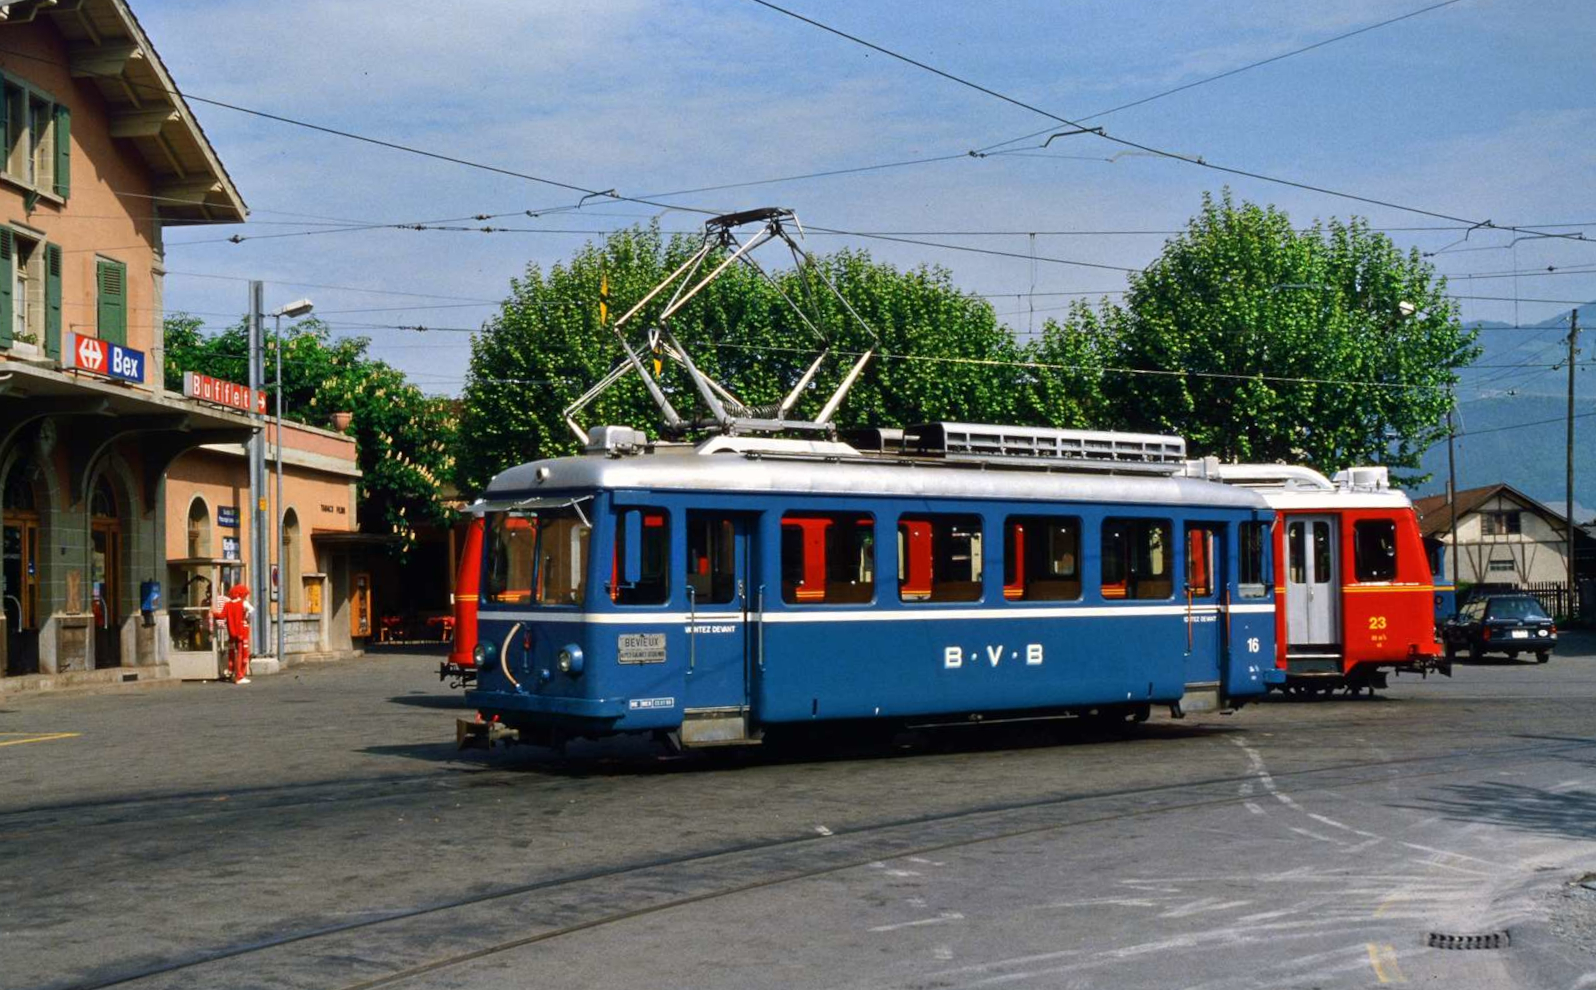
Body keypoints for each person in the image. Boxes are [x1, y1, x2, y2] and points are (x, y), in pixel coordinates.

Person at [221, 584, 252, 684]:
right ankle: (239, 675)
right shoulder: (243, 603)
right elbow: (251, 612)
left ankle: (231, 671)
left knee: (232, 651)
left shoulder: (227, 604)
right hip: (242, 631)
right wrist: (247, 618)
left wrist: (213, 612)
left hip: (231, 633)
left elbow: (221, 615)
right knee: (242, 653)